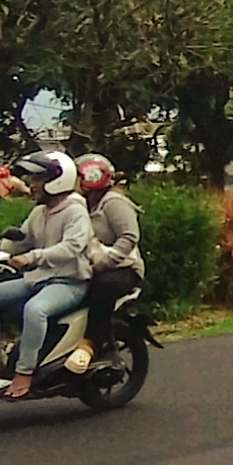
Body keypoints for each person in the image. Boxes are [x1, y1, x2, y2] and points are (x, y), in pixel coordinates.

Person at [0, 150, 92, 398]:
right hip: (40, 278)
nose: (31, 185)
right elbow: (18, 242)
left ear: (57, 180)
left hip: (69, 282)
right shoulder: (39, 212)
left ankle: (24, 373)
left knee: (35, 310)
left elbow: (72, 247)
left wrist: (33, 258)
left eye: (38, 179)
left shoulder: (75, 211)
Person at [68, 152, 143, 374]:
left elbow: (129, 237)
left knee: (101, 287)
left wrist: (105, 262)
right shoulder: (81, 205)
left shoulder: (113, 203)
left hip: (123, 269)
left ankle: (94, 344)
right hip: (91, 265)